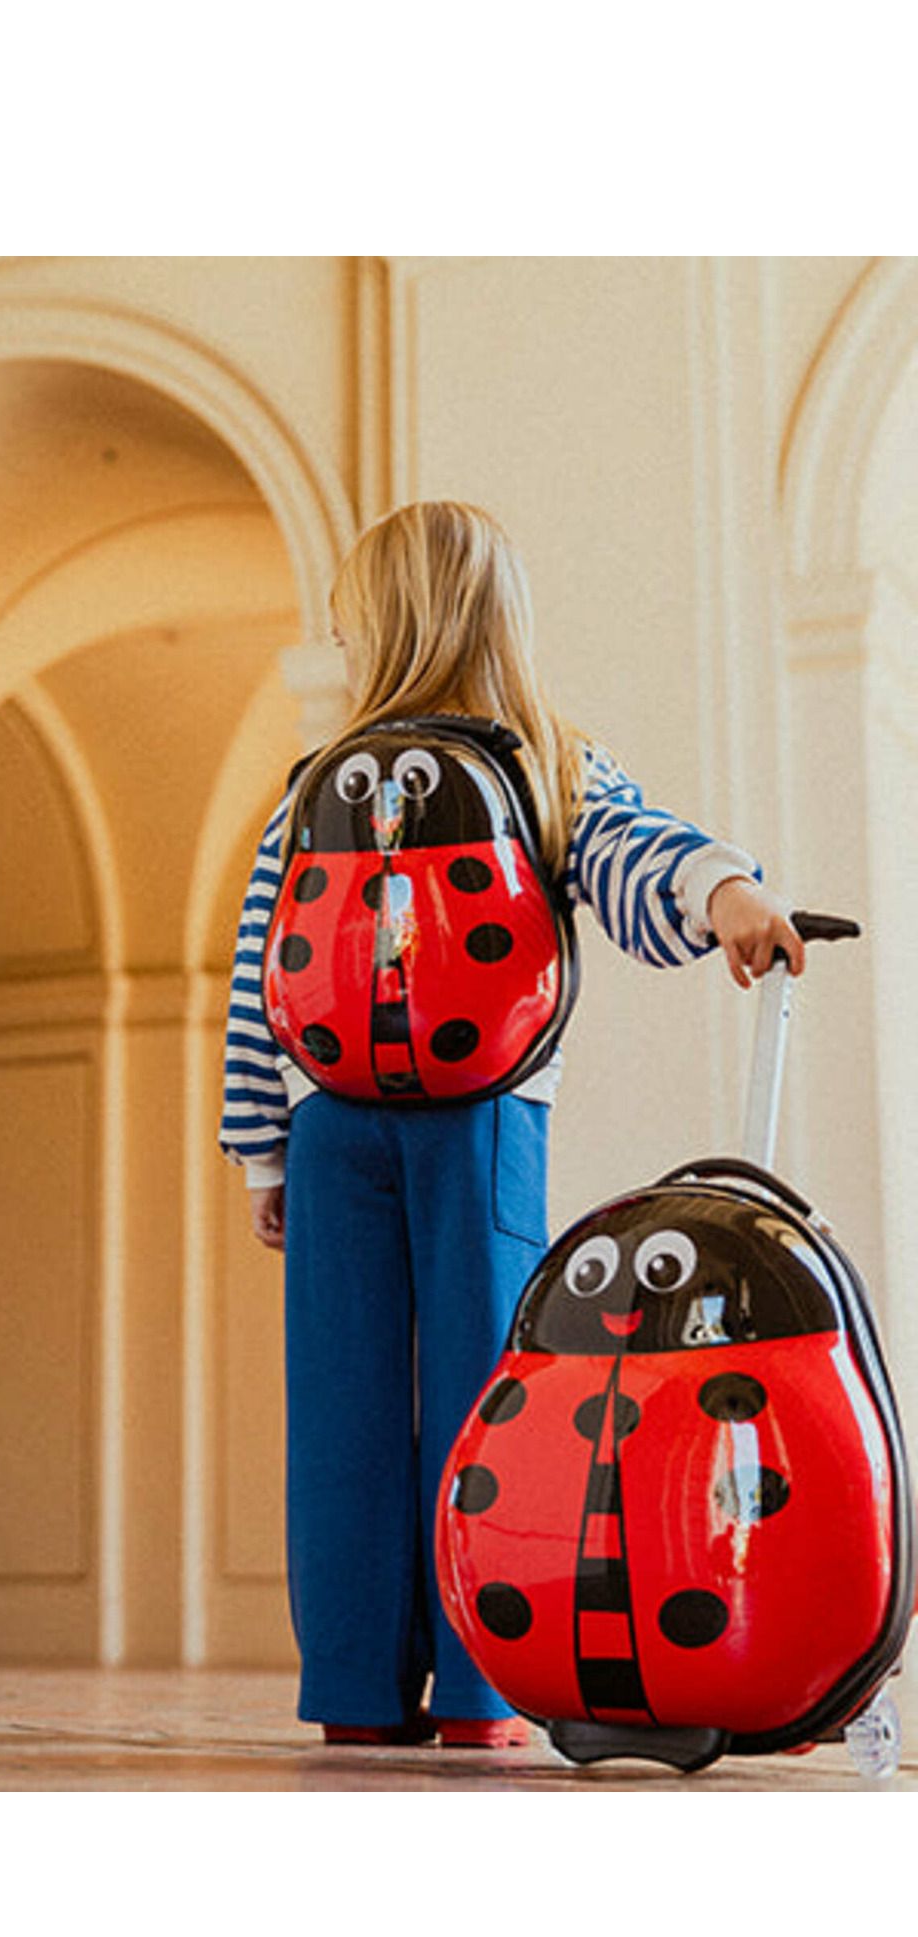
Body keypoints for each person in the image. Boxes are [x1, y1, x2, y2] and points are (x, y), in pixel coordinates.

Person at [219, 502, 805, 1749]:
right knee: (493, 1396)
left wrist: (263, 1147)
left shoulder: (327, 783)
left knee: (341, 1411)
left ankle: (360, 1691)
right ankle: (483, 1686)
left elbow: (260, 970)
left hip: (342, 1124)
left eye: (350, 620)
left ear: (381, 626)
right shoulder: (539, 762)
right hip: (481, 1118)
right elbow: (639, 856)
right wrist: (723, 892)